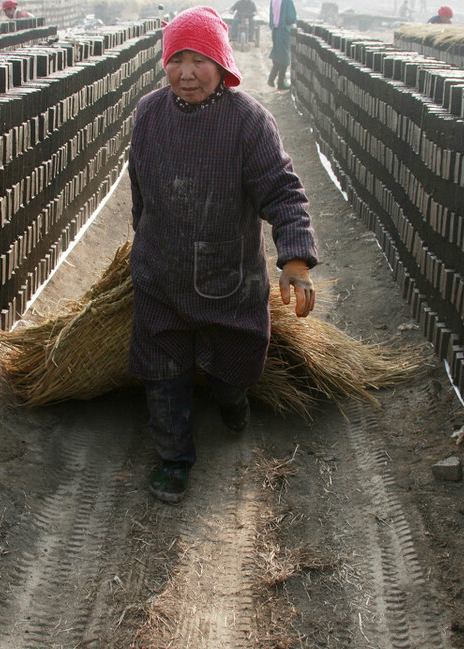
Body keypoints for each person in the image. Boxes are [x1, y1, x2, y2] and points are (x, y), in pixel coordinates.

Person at [127, 6, 318, 503]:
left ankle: (232, 400)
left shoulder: (249, 122)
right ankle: (173, 459)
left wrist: (294, 260)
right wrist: (141, 241)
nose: (186, 73)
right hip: (159, 274)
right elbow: (140, 191)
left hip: (228, 277)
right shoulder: (149, 113)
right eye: (176, 59)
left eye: (200, 59)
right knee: (162, 371)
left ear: (223, 63)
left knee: (234, 365)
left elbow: (283, 192)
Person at [267, 0, 297, 89]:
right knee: (284, 59)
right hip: (283, 31)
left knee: (278, 57)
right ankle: (280, 84)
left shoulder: (273, 1)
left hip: (275, 31)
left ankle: (271, 80)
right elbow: (291, 18)